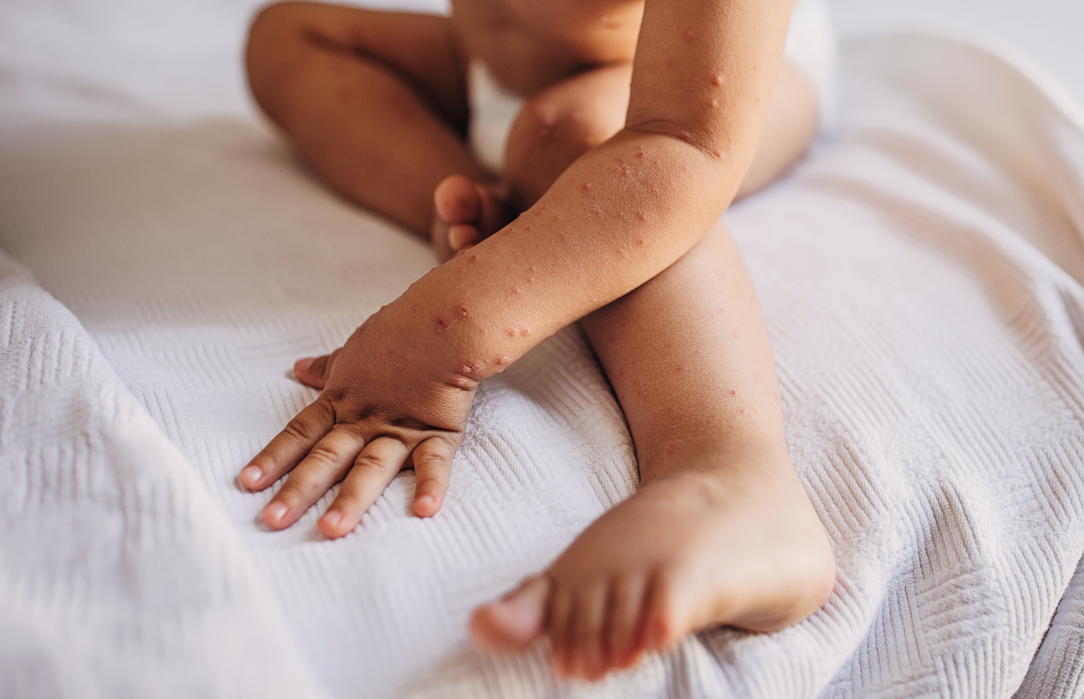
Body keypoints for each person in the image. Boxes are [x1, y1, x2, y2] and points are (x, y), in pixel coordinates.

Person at [238, 0, 836, 680]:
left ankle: (730, 471)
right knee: (289, 37)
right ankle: (478, 209)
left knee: (569, 141)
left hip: (685, 92)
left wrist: (447, 330)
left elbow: (685, 143)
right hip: (487, 66)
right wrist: (482, 246)